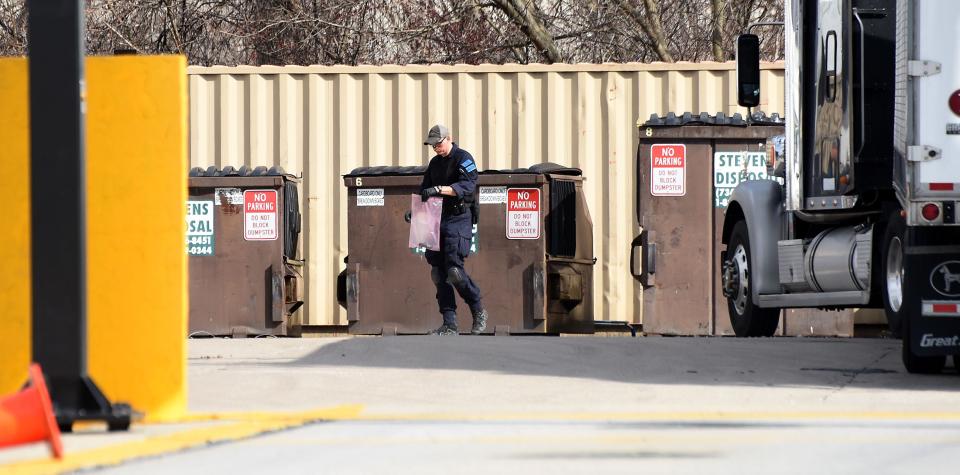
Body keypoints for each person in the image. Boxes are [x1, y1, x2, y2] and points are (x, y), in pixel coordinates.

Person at [420, 124, 488, 335]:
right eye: (432, 146)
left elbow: (468, 186)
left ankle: (478, 310)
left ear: (449, 138)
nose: (436, 148)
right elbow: (424, 190)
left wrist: (440, 189)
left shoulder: (463, 158)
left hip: (458, 218)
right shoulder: (435, 164)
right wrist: (416, 213)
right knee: (438, 273)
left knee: (454, 271)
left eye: (438, 144)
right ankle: (449, 323)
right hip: (436, 217)